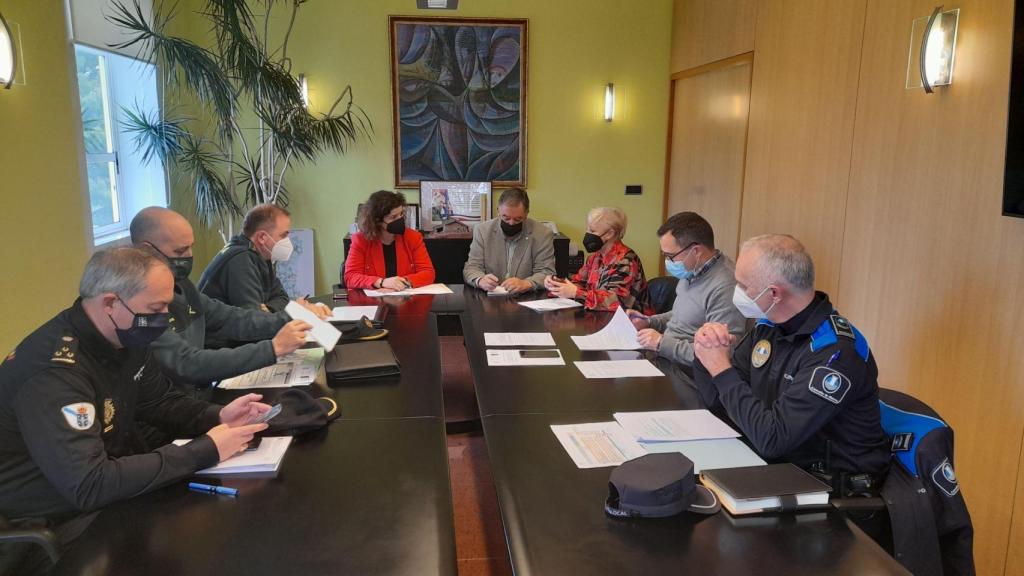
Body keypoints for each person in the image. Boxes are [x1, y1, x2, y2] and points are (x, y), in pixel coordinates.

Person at [0, 248, 271, 571]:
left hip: (106, 489)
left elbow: (159, 401)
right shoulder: (54, 374)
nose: (164, 318)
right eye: (155, 308)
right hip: (54, 522)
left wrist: (217, 416)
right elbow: (89, 484)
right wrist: (205, 450)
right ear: (110, 303)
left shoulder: (125, 337)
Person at [692, 234, 889, 486]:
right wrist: (706, 351)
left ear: (774, 293)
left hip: (828, 485)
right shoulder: (768, 327)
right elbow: (718, 402)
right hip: (776, 460)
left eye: (743, 286)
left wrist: (721, 368)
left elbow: (773, 439)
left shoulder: (835, 352)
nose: (736, 292)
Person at [129, 207, 310, 390]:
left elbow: (231, 318)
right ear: (147, 249)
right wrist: (273, 348)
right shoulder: (139, 304)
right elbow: (186, 362)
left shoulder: (183, 285)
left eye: (191, 247)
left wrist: (292, 317)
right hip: (181, 396)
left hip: (198, 392)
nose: (190, 256)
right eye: (180, 251)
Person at [628, 212, 745, 366]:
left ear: (696, 251)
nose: (668, 262)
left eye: (670, 256)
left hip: (688, 371)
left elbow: (723, 353)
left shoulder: (725, 285)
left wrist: (661, 343)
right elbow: (682, 316)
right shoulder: (691, 269)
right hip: (666, 356)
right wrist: (649, 321)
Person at [198, 203, 330, 318]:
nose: (287, 241)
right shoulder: (240, 261)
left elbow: (282, 298)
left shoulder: (262, 256)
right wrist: (297, 311)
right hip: (218, 338)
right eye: (283, 235)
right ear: (262, 237)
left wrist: (270, 308)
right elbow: (254, 321)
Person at [543, 207, 651, 312]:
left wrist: (576, 293)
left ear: (610, 234)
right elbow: (579, 282)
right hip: (598, 317)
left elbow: (616, 302)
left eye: (592, 231)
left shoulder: (626, 261)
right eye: (587, 229)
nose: (587, 234)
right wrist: (558, 284)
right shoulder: (595, 257)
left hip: (630, 321)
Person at [463, 187, 555, 293]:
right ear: (498, 211)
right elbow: (472, 267)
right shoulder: (483, 231)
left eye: (517, 219)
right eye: (506, 218)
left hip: (526, 296)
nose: (511, 223)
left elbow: (546, 272)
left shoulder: (542, 234)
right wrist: (480, 280)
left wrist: (526, 283)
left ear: (526, 214)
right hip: (490, 296)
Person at [343, 190, 436, 291]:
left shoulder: (413, 237)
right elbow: (350, 277)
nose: (400, 219)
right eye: (393, 217)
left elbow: (428, 273)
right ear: (377, 221)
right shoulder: (361, 240)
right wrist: (381, 282)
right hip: (372, 299)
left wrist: (402, 283)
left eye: (401, 214)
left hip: (405, 297)